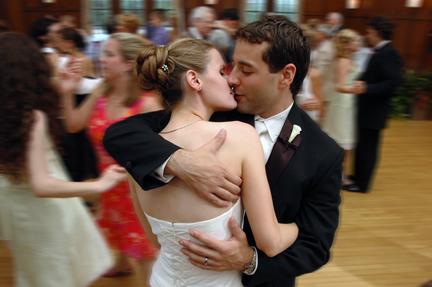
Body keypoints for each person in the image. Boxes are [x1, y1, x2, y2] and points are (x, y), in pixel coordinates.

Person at [104, 15, 343, 287]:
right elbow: (120, 134)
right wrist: (179, 160)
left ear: (286, 75)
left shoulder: (324, 153)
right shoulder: (217, 114)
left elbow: (316, 246)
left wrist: (248, 261)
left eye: (246, 70)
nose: (232, 78)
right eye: (230, 67)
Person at [128, 37, 299, 286]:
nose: (230, 80)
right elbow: (270, 241)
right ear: (194, 80)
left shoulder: (138, 153)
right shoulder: (239, 136)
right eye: (221, 72)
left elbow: (157, 242)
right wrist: (301, 226)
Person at [0, 32, 126, 287]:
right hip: (43, 214)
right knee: (54, 274)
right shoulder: (31, 118)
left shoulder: (11, 113)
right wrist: (97, 185)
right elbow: (41, 184)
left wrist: (63, 90)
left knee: (36, 273)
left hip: (15, 208)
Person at [60, 32, 163, 280]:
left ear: (128, 63)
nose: (100, 59)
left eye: (109, 54)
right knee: (117, 233)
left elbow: (163, 153)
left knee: (145, 255)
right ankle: (121, 264)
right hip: (108, 186)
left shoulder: (147, 104)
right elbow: (73, 125)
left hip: (136, 191)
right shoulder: (101, 92)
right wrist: (66, 91)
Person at [344, 16, 403, 193]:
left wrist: (366, 88)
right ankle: (358, 176)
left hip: (374, 111)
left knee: (368, 148)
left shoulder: (389, 54)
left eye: (369, 31)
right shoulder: (380, 52)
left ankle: (363, 184)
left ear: (377, 32)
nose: (366, 35)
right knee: (362, 145)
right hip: (368, 109)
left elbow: (393, 84)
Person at [323, 29, 360, 184]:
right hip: (342, 104)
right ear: (346, 44)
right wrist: (356, 88)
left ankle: (338, 173)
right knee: (343, 140)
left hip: (347, 103)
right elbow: (339, 86)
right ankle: (339, 175)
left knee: (345, 141)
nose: (357, 44)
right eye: (355, 41)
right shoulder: (343, 61)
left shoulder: (346, 59)